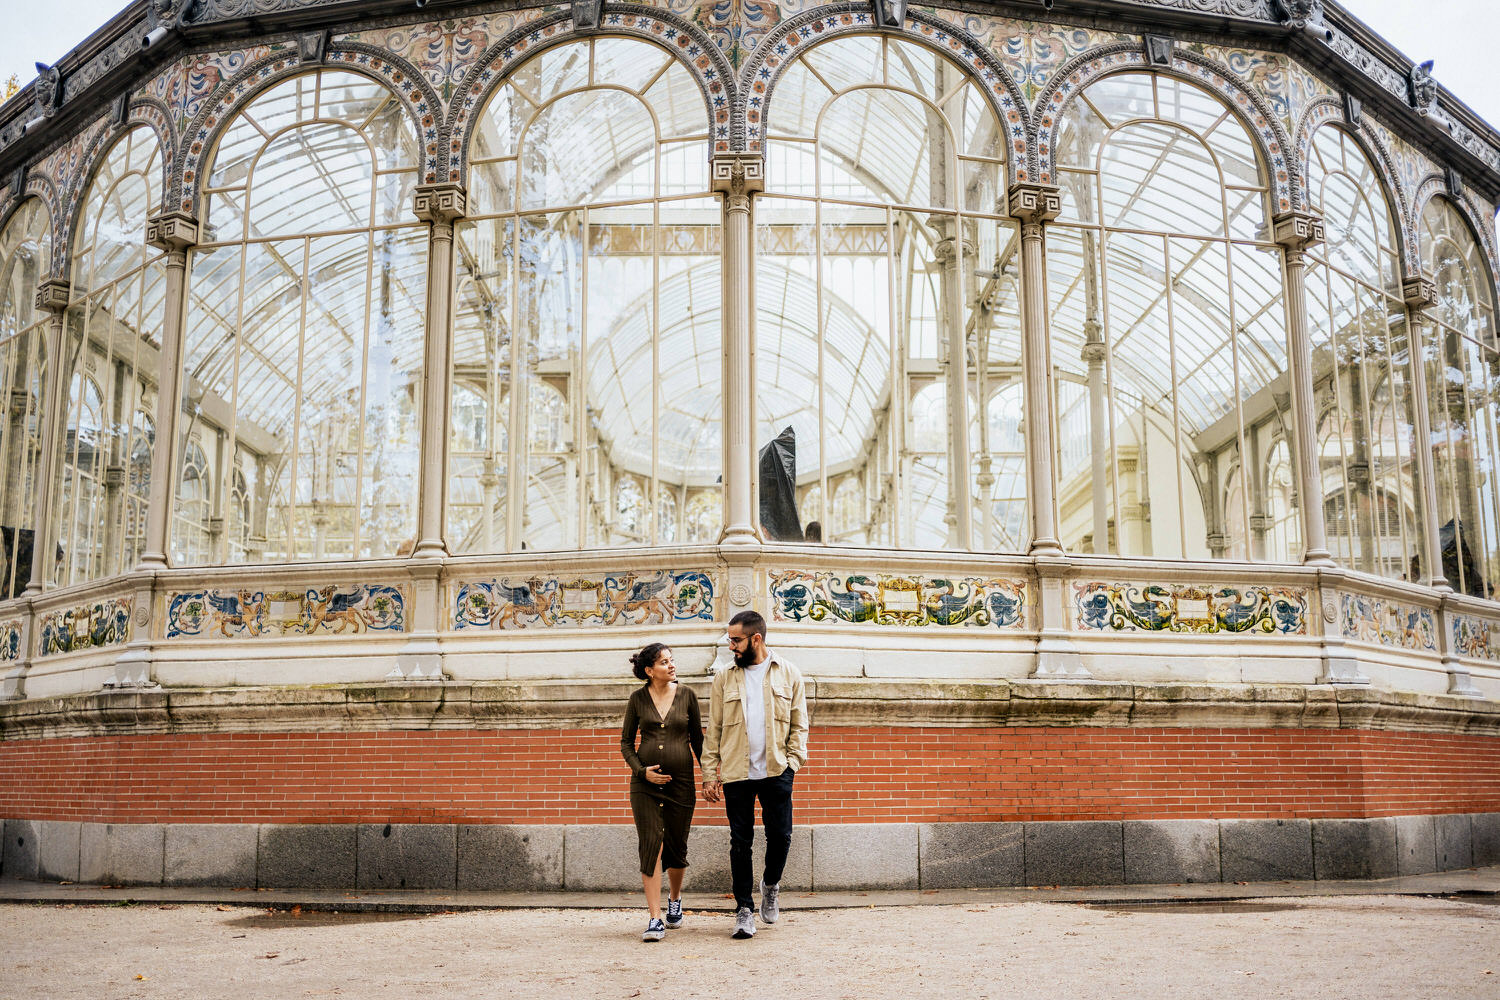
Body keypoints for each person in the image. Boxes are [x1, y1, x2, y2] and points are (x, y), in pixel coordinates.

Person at [701, 610, 809, 939]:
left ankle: (771, 884)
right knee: (740, 842)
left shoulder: (789, 673)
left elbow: (799, 725)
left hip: (777, 769)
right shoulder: (724, 677)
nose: (730, 645)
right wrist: (709, 772)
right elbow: (715, 728)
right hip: (737, 773)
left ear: (756, 639)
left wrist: (793, 763)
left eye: (736, 639)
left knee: (781, 837)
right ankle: (744, 909)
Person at [620, 642, 703, 942]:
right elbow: (626, 743)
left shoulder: (688, 696)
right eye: (664, 662)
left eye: (672, 659)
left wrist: (709, 775)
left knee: (677, 847)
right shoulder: (637, 699)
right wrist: (642, 772)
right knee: (651, 844)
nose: (671, 665)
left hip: (681, 783)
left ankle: (675, 899)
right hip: (645, 786)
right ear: (649, 670)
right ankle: (655, 918)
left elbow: (698, 741)